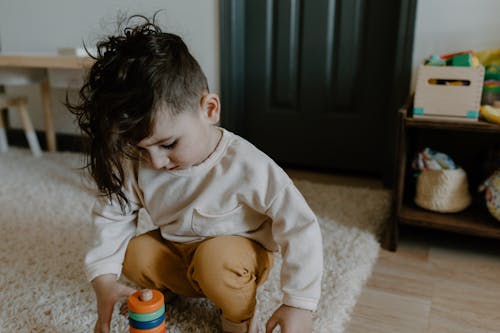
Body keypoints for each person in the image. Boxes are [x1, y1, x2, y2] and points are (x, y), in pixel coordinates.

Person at [67, 14, 323, 333]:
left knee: (216, 261)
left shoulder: (247, 165)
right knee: (133, 254)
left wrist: (299, 303)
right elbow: (112, 215)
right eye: (141, 149)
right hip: (178, 248)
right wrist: (104, 279)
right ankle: (179, 287)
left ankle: (238, 318)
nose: (156, 162)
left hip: (238, 252)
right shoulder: (139, 161)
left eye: (169, 144)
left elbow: (301, 225)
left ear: (209, 110)